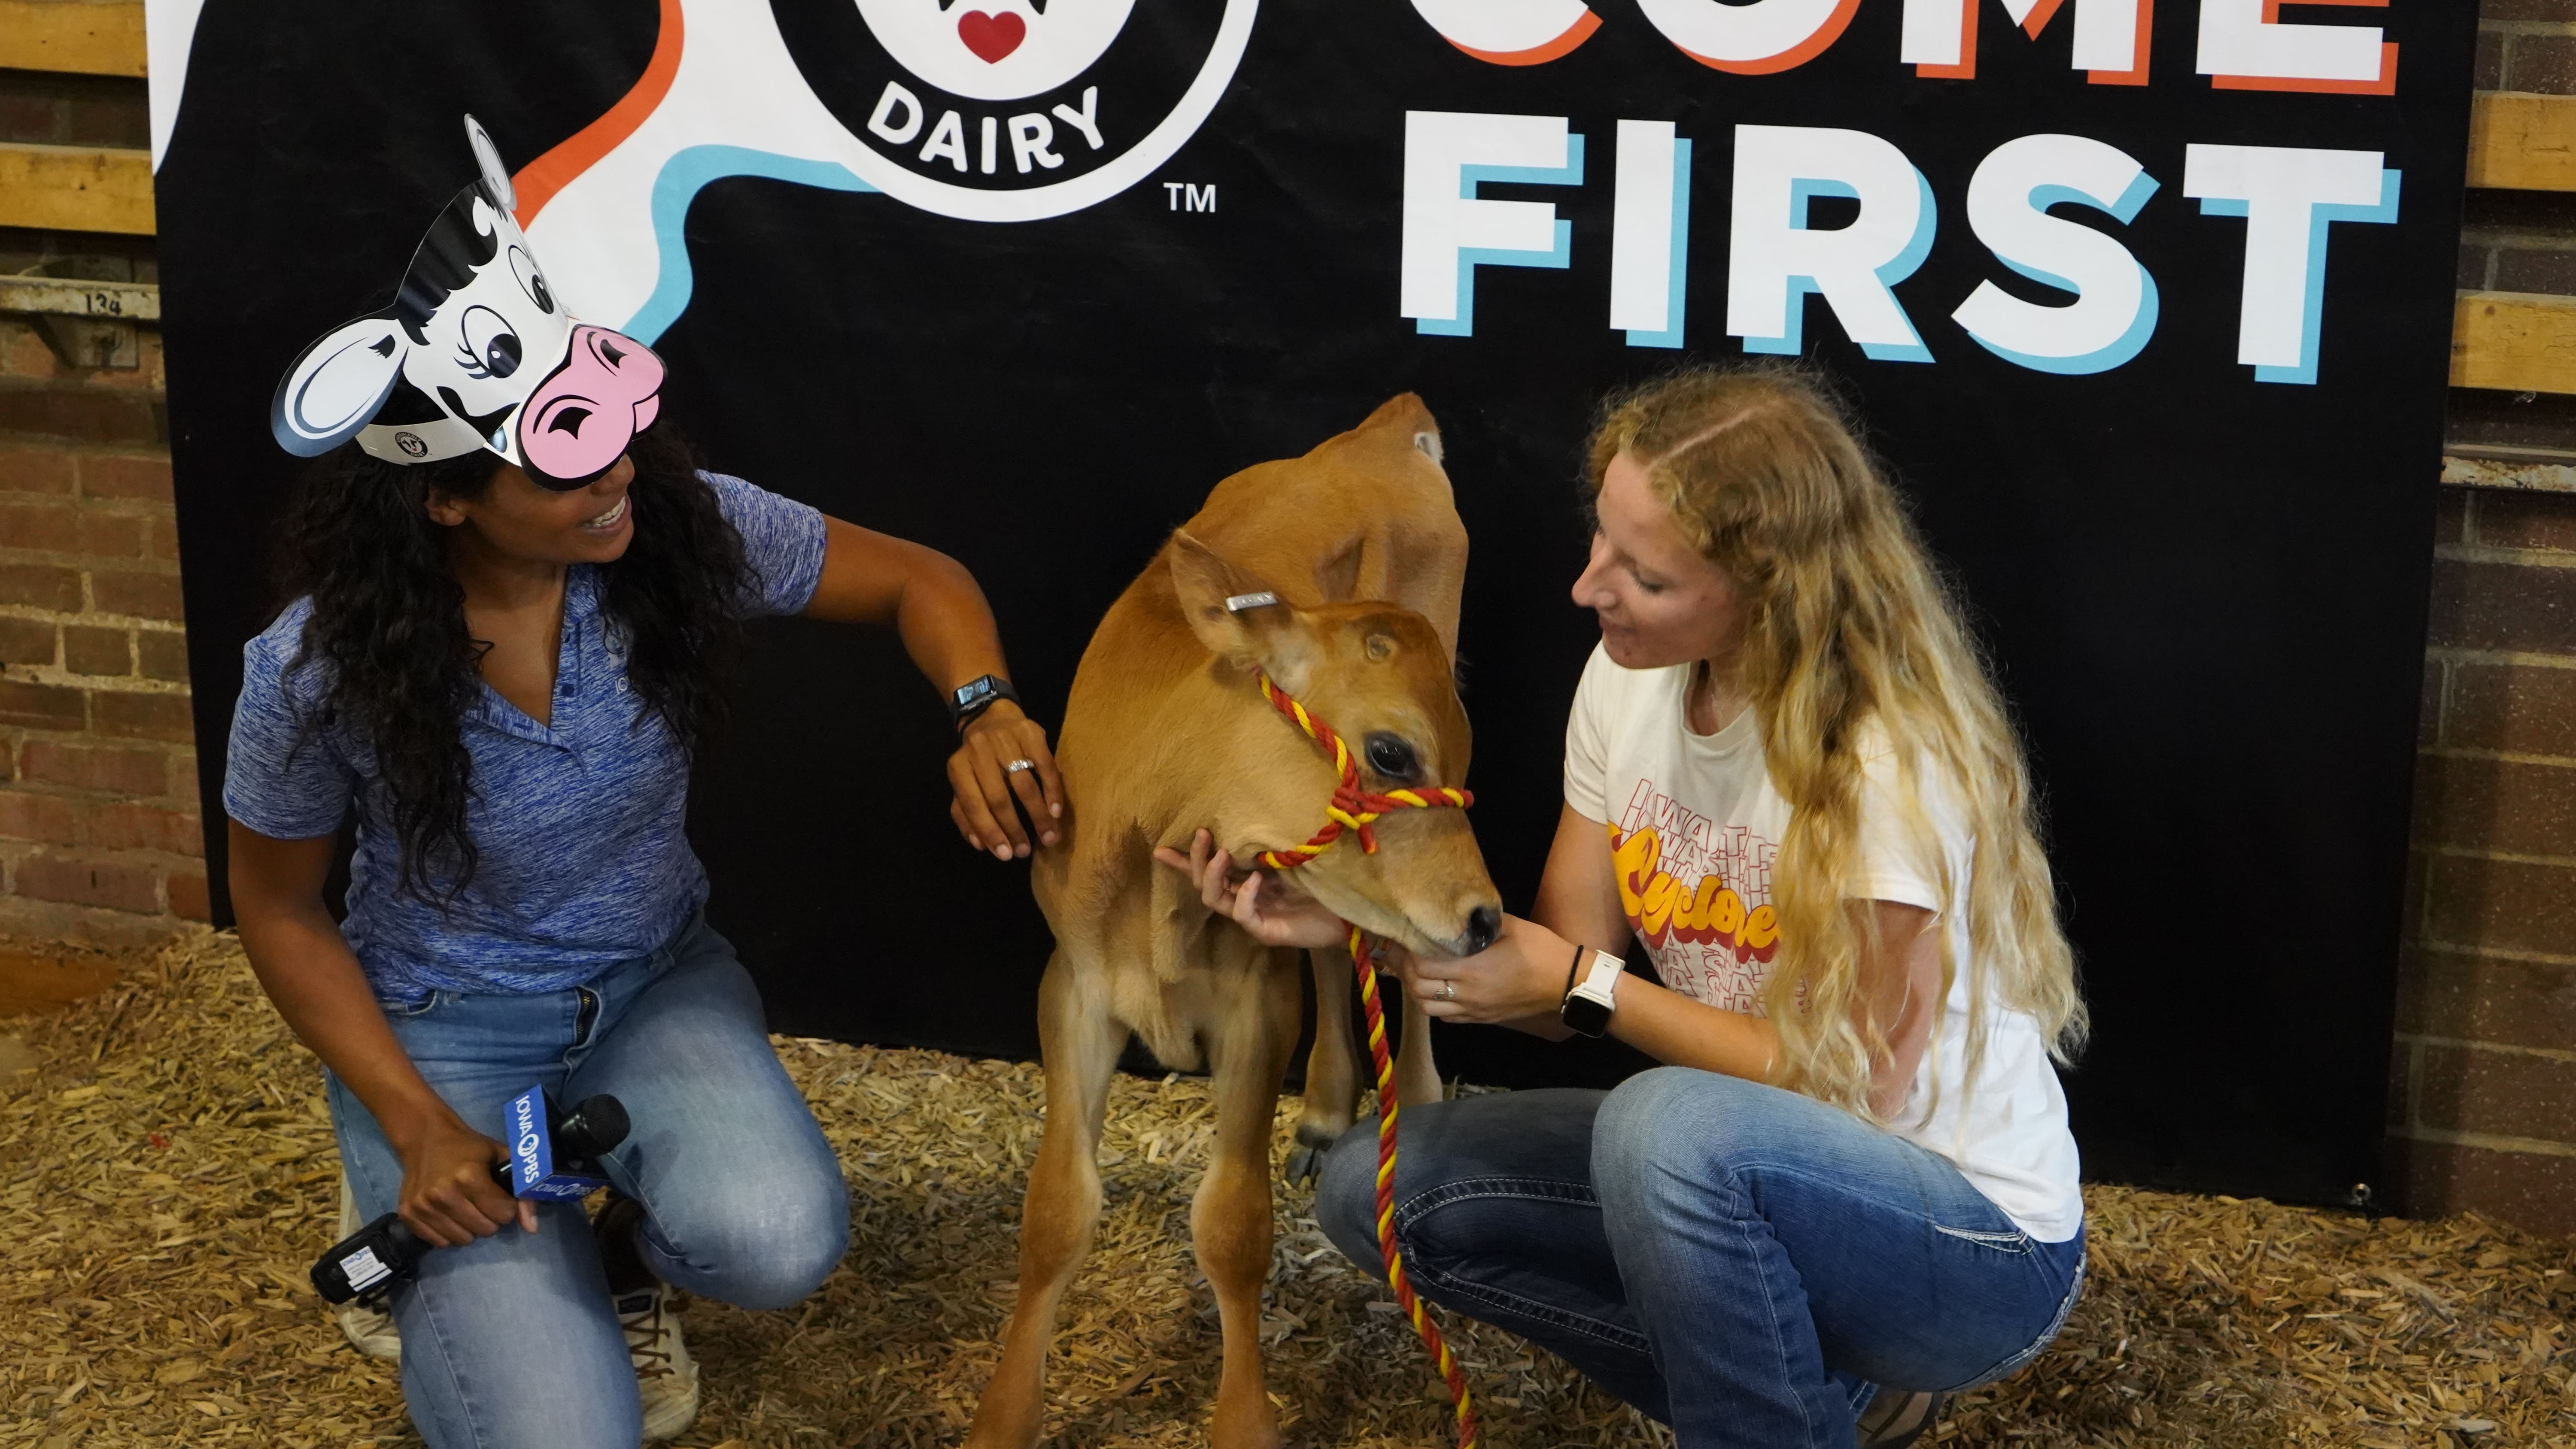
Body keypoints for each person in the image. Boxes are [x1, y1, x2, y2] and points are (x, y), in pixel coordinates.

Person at [231, 117, 1064, 1449]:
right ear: (443, 498)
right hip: (443, 1030)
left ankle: (612, 1252)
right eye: (568, 453)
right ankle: (418, 1195)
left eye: (616, 421)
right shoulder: (316, 668)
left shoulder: (675, 532)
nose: (618, 471)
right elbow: (277, 909)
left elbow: (923, 580)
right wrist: (416, 1121)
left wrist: (985, 706)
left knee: (776, 1236)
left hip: (652, 983)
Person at [1168, 365, 2088, 1449]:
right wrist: (1358, 915)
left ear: (1770, 590)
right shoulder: (1628, 678)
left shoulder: (1883, 756)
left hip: (1971, 1241)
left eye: (1643, 575)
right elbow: (1556, 981)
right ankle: (1825, 1394)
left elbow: (1847, 1079)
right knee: (1389, 1187)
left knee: (1667, 1128)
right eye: (1601, 539)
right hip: (1748, 1178)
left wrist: (1583, 984)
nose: (1587, 587)